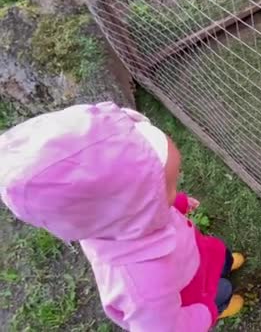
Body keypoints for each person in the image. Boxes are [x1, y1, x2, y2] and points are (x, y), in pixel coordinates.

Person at [0, 102, 244, 331]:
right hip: (192, 292)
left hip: (194, 253)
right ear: (136, 208)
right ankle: (220, 306)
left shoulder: (116, 218)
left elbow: (158, 208)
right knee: (219, 292)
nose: (175, 190)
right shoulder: (141, 285)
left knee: (216, 256)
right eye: (169, 188)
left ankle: (223, 264)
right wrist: (204, 313)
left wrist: (175, 202)